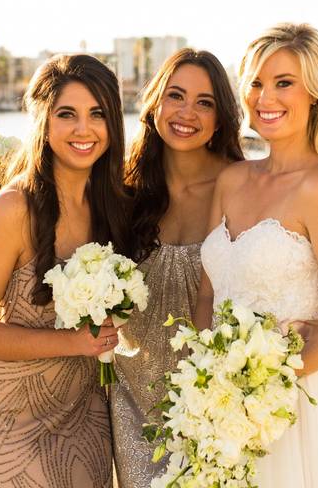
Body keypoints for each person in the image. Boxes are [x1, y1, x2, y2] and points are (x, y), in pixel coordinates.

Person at [196, 23, 318, 487]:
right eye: (257, 83)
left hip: (294, 403)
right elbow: (206, 298)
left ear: (314, 94)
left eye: (284, 83)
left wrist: (262, 388)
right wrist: (207, 385)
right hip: (219, 407)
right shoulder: (232, 180)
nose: (266, 97)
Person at [0, 54, 131, 488]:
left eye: (97, 114)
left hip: (83, 405)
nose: (83, 129)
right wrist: (72, 342)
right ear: (43, 123)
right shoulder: (14, 208)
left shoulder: (115, 203)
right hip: (5, 411)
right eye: (66, 114)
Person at [110, 48, 244, 487]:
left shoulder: (242, 185)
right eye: (176, 96)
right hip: (131, 397)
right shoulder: (122, 188)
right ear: (154, 105)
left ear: (221, 117)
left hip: (216, 400)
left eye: (204, 102)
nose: (187, 112)